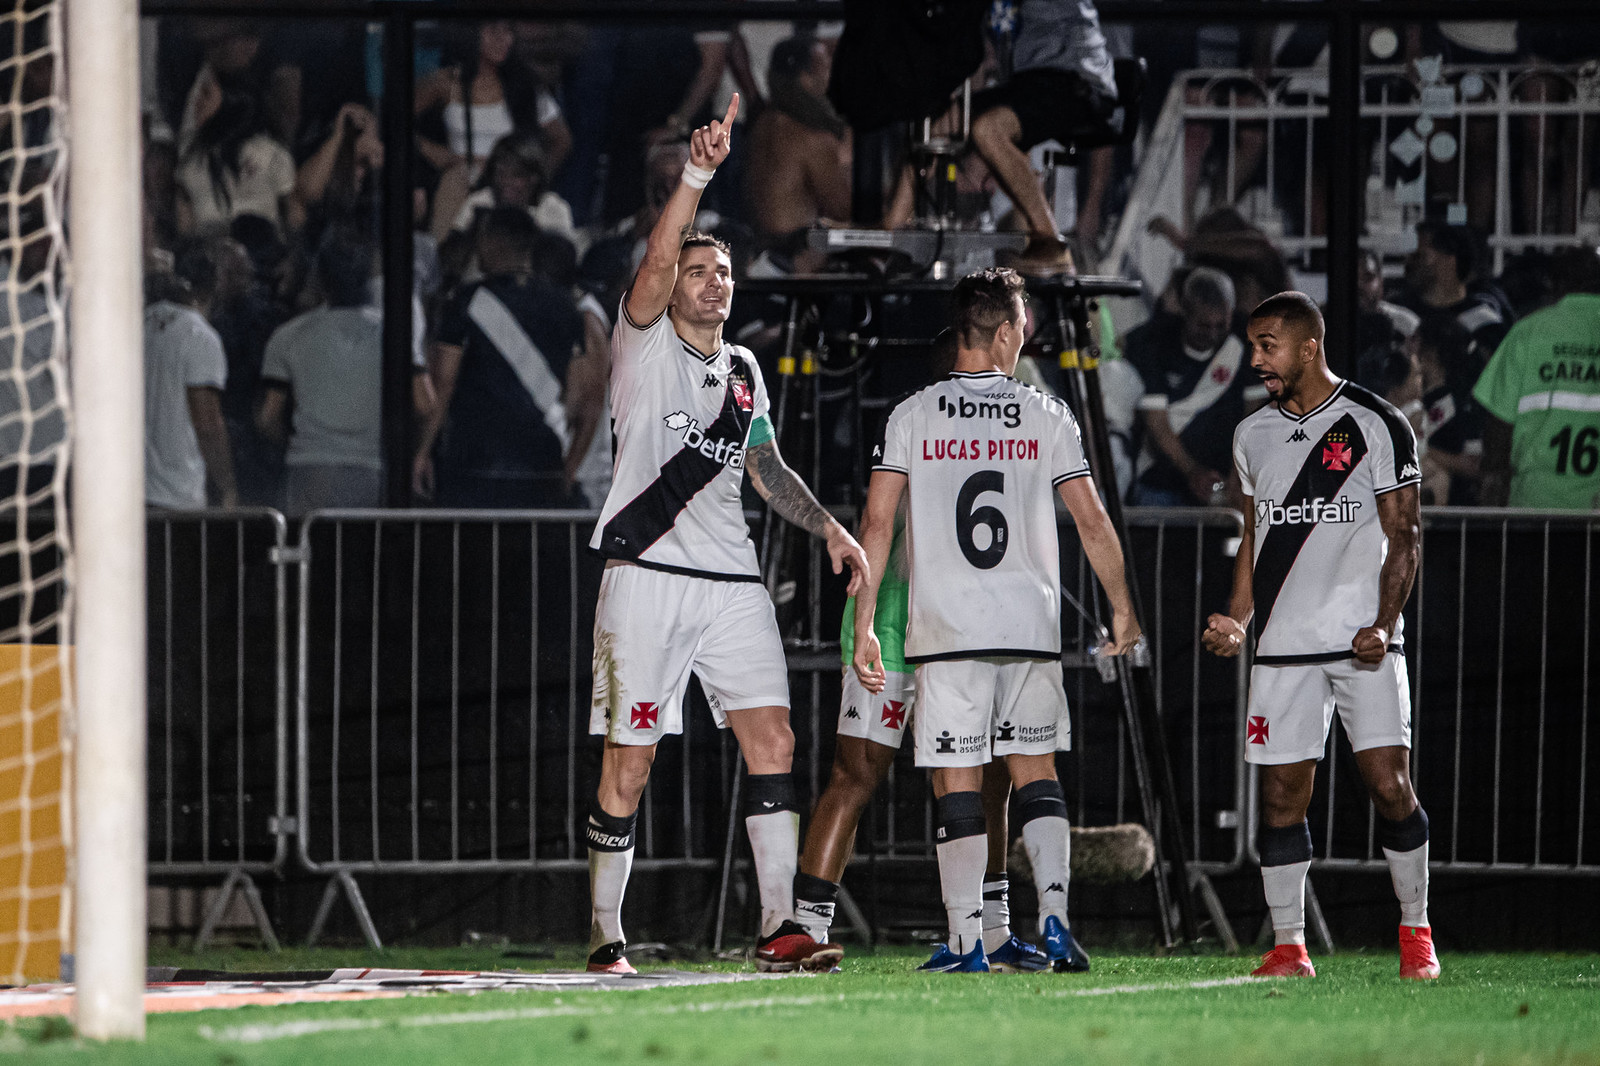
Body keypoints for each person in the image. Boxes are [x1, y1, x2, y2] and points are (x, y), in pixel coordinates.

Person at [584, 95, 868, 975]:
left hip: (732, 584)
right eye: (700, 270)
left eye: (724, 272)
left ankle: (783, 927)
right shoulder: (643, 346)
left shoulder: (743, 369)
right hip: (649, 573)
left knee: (774, 743)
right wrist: (697, 176)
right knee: (627, 770)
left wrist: (830, 528)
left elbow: (764, 466)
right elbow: (658, 257)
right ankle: (605, 933)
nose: (713, 281)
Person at [853, 267, 1140, 972]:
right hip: (1028, 626)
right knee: (1034, 771)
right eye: (1022, 330)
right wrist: (1124, 607)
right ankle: (1055, 920)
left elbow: (877, 522)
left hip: (947, 630)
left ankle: (963, 943)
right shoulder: (1047, 414)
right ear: (1006, 333)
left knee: (958, 780)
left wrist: (865, 622)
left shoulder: (912, 414)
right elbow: (1092, 520)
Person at [793, 331, 1051, 974]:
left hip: (957, 632)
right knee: (857, 773)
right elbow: (882, 528)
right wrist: (866, 625)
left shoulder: (967, 433)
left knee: (983, 778)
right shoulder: (920, 431)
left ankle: (989, 934)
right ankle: (803, 927)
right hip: (899, 625)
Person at [1202, 292, 1439, 981]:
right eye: (1253, 345)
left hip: (1362, 644)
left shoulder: (1376, 423)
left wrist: (1383, 625)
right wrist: (1238, 619)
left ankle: (1416, 934)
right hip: (1282, 645)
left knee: (1390, 787)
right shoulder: (1254, 435)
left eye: (1268, 345)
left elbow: (1406, 536)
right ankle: (1288, 946)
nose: (1256, 360)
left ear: (1310, 346)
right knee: (1280, 798)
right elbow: (1256, 537)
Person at [414, 206, 601, 509]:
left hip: (473, 467)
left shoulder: (467, 301)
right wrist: (569, 467)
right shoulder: (565, 307)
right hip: (542, 466)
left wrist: (423, 450)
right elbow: (587, 397)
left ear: (492, 241)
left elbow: (443, 381)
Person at [256, 227, 431, 515]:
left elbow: (267, 418)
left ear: (320, 278)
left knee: (307, 555)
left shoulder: (288, 336)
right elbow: (424, 404)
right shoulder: (394, 335)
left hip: (308, 470)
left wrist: (295, 443)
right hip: (369, 470)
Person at [969, 0, 1120, 275]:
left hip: (1054, 195)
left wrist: (1093, 204)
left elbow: (1103, 132)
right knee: (1010, 280)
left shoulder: (1068, 51)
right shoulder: (995, 32)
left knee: (1046, 271)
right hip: (1003, 204)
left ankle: (1050, 243)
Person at [1125, 267, 1266, 506]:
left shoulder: (1250, 342)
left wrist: (1238, 474)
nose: (1212, 334)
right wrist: (1192, 471)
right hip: (1160, 481)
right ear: (1185, 312)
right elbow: (1157, 422)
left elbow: (1255, 414)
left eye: (1220, 325)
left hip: (1225, 481)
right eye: (1203, 325)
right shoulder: (1152, 343)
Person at [1475, 244, 1600, 510]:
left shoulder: (1529, 332)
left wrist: (1493, 480)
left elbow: (1499, 423)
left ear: (1556, 284)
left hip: (1535, 509)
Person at [744, 34, 851, 274]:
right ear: (806, 80)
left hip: (762, 253)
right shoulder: (811, 140)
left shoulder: (761, 126)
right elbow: (843, 208)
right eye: (826, 66)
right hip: (793, 261)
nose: (833, 75)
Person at [144, 238, 238, 510]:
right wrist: (227, 483)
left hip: (133, 490)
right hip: (178, 495)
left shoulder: (138, 323)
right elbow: (207, 424)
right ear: (215, 283)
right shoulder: (200, 337)